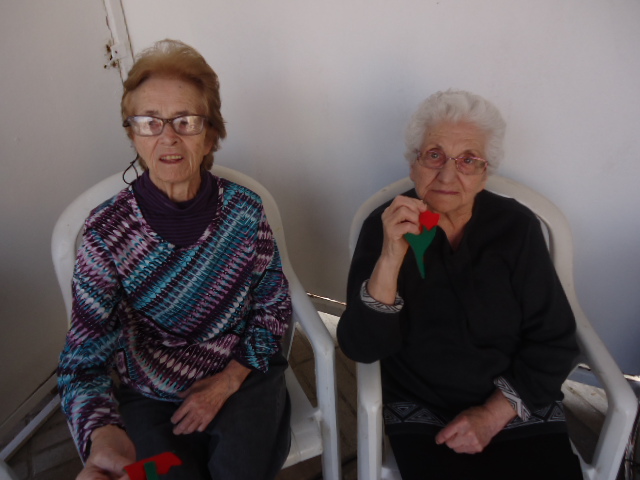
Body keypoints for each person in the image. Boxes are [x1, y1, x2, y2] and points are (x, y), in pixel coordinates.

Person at [58, 39, 292, 480]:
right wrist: (101, 434)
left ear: (211, 135)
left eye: (186, 121)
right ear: (133, 134)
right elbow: (82, 362)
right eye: (149, 122)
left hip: (242, 373)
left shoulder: (244, 212)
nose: (168, 137)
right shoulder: (106, 233)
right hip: (151, 393)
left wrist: (229, 380)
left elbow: (273, 307)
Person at [337, 90, 583, 479]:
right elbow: (362, 347)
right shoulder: (386, 226)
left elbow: (555, 338)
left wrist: (492, 414)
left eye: (468, 160)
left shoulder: (516, 228)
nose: (448, 175)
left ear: (485, 172)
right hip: (425, 411)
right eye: (434, 155)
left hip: (515, 402)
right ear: (414, 164)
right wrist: (390, 257)